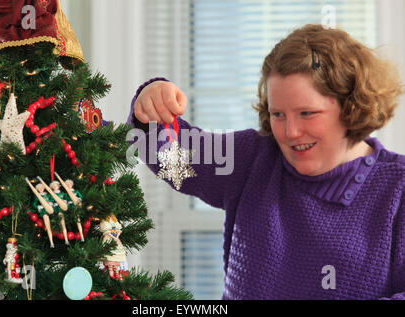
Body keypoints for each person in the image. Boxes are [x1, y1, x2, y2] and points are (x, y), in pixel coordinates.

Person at [127, 24, 404, 300]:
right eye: (278, 114)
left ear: (351, 105)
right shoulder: (253, 158)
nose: (290, 132)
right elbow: (173, 160)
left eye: (307, 113)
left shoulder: (397, 188)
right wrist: (152, 108)